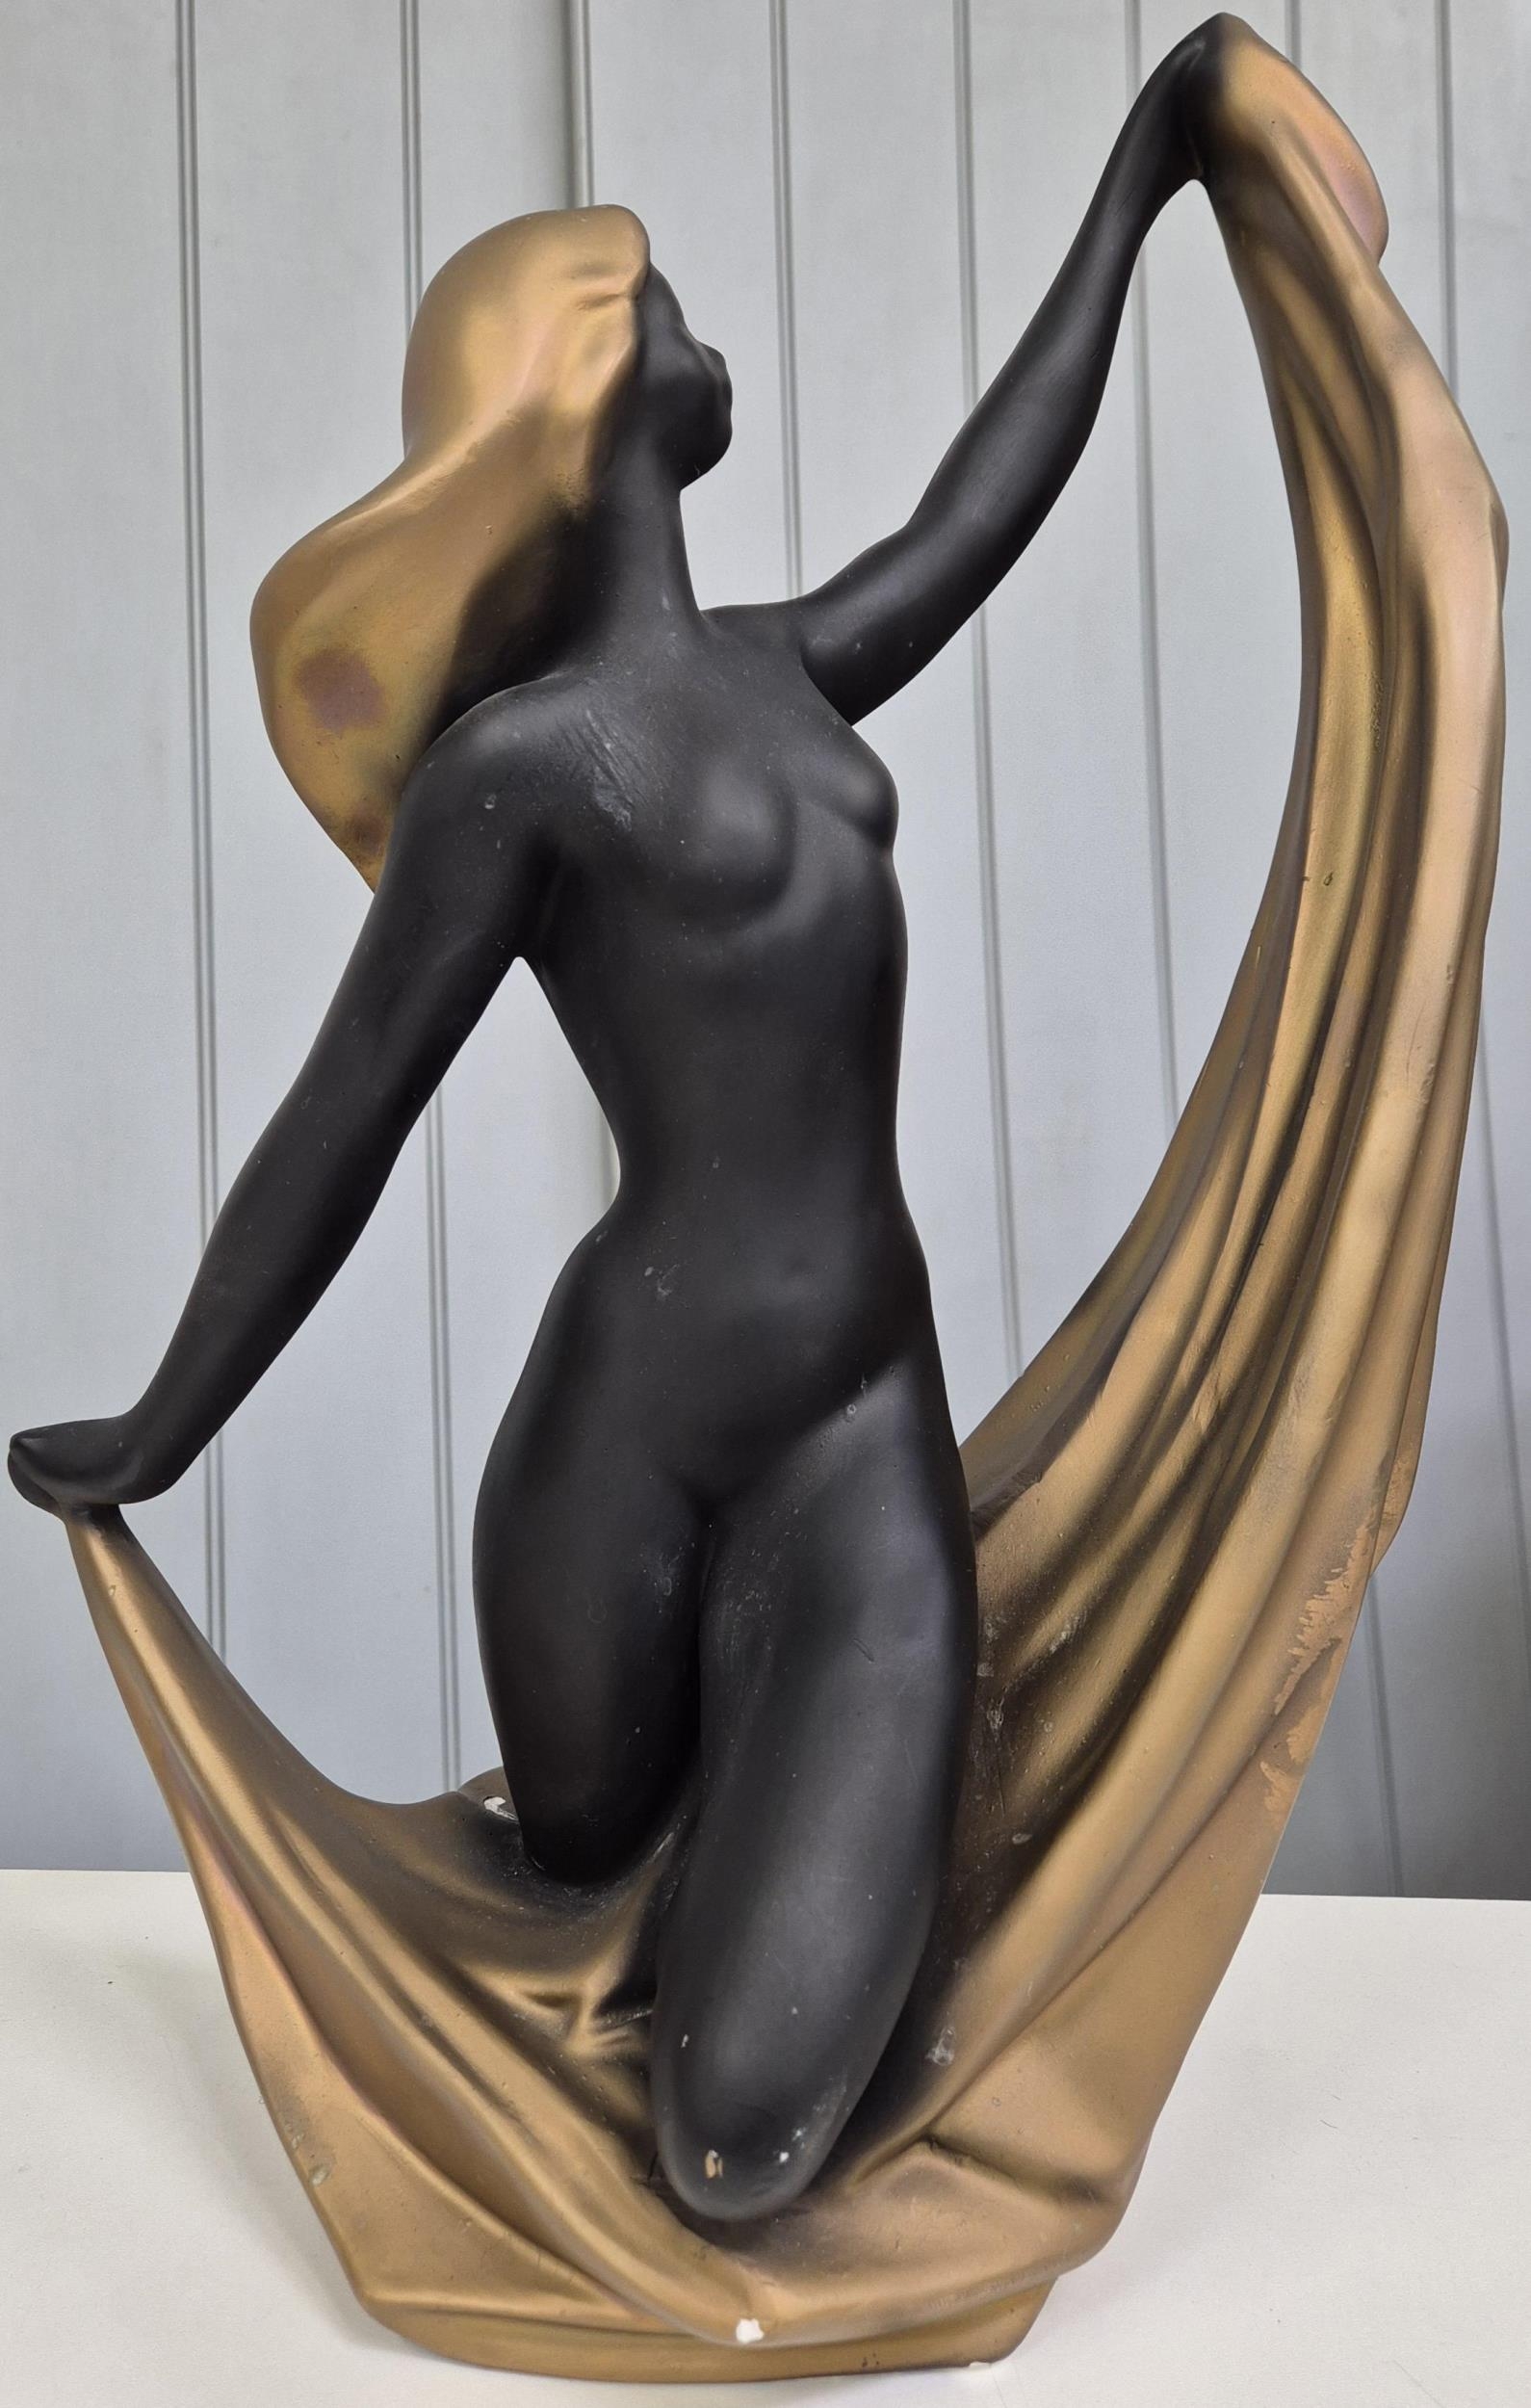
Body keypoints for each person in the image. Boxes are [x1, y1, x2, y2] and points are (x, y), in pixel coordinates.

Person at [11, 19, 1226, 2222]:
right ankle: (688, 1866)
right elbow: (345, 1118)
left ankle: (777, 1840)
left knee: (740, 2137)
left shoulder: (785, 666)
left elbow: (992, 495)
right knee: (588, 1859)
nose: (695, 320)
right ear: (585, 402)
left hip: (853, 1432)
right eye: (653, 296)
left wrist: (1151, 171)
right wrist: (162, 1427)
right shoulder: (519, 773)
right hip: (615, 1473)